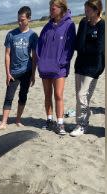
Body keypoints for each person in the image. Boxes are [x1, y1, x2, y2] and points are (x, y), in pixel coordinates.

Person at [0, 6, 38, 132]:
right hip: (13, 72)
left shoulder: (33, 35)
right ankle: (3, 122)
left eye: (22, 19)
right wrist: (7, 73)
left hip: (27, 71)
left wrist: (33, 74)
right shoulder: (11, 34)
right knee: (9, 96)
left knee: (23, 95)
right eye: (18, 19)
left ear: (29, 19)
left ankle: (18, 120)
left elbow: (34, 57)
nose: (20, 22)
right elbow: (7, 54)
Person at [36, 0, 76, 135]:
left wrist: (62, 63)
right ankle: (49, 120)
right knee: (47, 94)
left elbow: (69, 47)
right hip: (45, 67)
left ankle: (60, 123)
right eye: (50, 8)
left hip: (59, 67)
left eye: (53, 8)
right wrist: (40, 62)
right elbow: (39, 45)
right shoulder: (47, 26)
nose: (51, 11)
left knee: (58, 94)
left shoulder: (69, 25)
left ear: (61, 8)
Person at [70, 0, 105, 137]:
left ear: (96, 10)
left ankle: (82, 125)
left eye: (88, 10)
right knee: (81, 97)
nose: (85, 12)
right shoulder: (84, 23)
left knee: (82, 95)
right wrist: (84, 23)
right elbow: (78, 45)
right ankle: (82, 122)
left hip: (94, 67)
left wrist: (84, 48)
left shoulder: (102, 25)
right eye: (85, 10)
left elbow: (99, 49)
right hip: (80, 65)